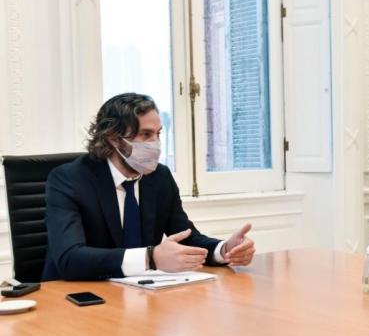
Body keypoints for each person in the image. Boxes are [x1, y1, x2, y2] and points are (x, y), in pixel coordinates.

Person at [43, 93, 256, 280]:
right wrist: (150, 258)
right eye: (146, 135)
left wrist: (224, 250)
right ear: (114, 139)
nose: (156, 144)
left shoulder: (159, 177)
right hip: (75, 296)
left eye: (158, 134)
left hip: (140, 292)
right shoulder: (69, 179)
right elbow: (70, 258)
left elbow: (185, 236)